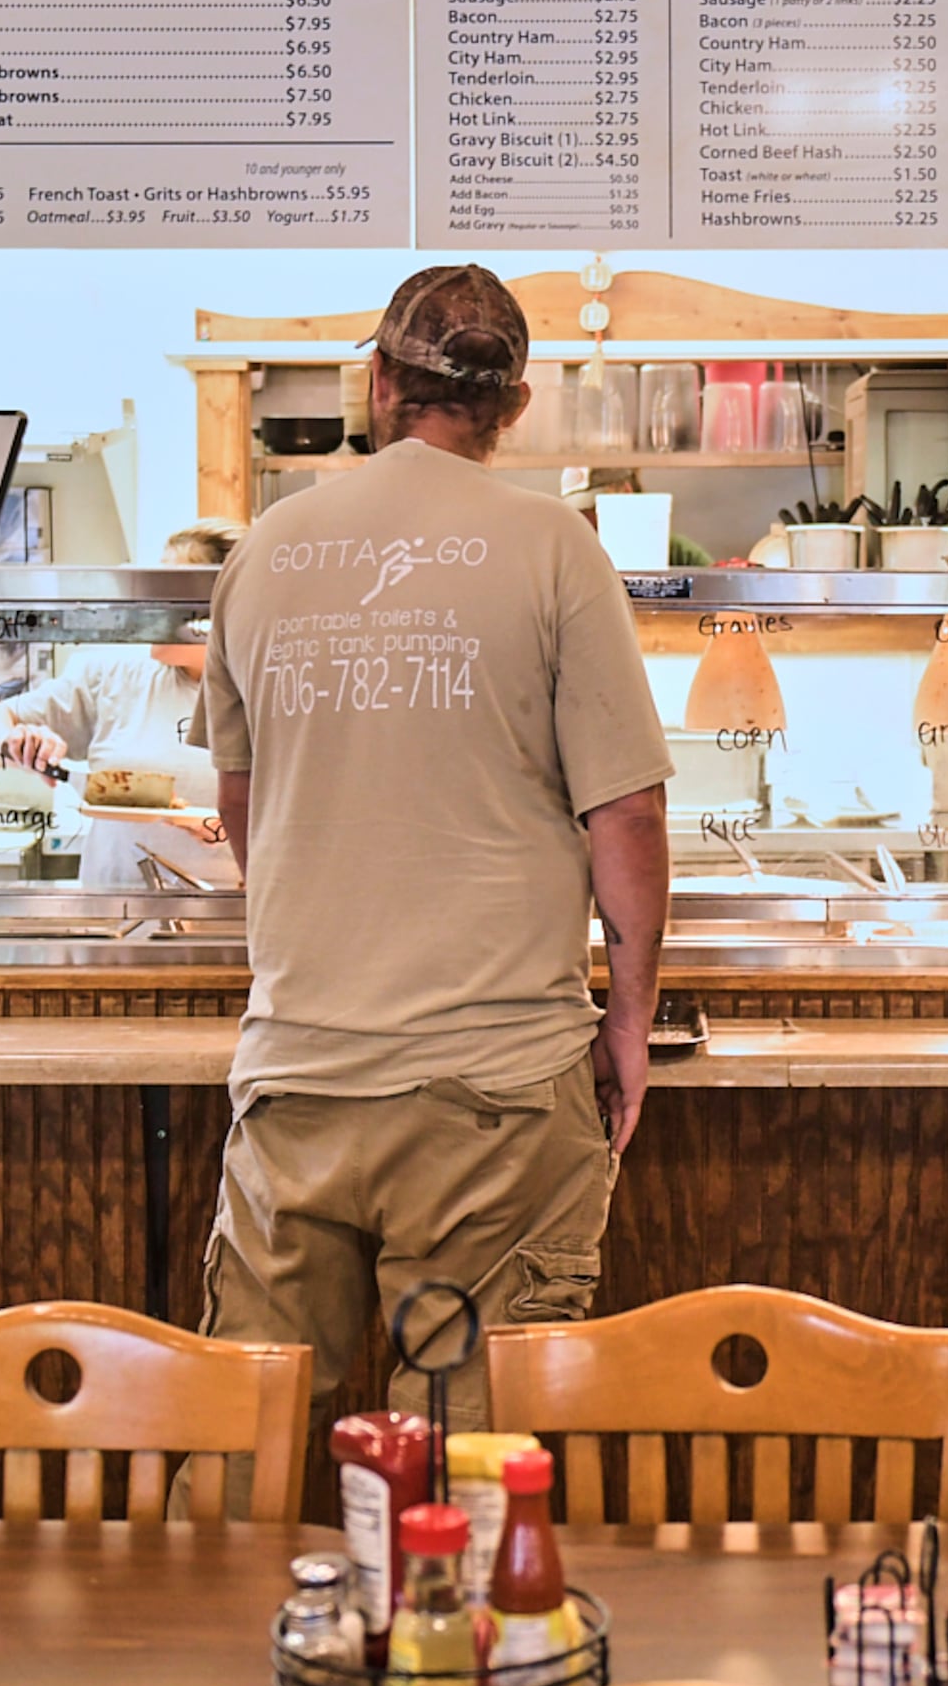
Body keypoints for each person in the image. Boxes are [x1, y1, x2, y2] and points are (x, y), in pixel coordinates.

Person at [196, 266, 670, 1428]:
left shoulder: (265, 548)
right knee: (466, 1457)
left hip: (296, 1081)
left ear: (378, 380)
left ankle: (247, 1560)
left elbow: (243, 801)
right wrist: (629, 1019)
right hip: (496, 1096)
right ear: (515, 408)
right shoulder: (554, 545)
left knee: (250, 1442)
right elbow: (627, 815)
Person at [0, 518, 244, 886]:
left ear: (225, 605)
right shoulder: (112, 675)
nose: (150, 609)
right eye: (153, 593)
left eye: (172, 598)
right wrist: (12, 742)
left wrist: (229, 828)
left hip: (232, 910)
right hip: (116, 910)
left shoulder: (268, 691)